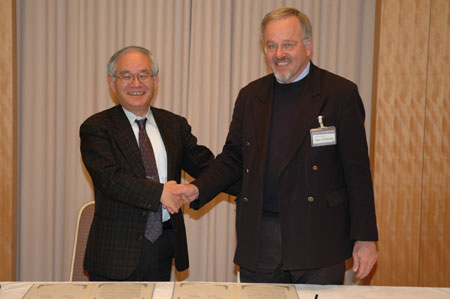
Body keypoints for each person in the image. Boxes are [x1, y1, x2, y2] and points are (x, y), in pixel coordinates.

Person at [175, 7, 378, 284]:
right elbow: (234, 158)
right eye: (271, 45)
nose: (279, 54)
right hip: (261, 236)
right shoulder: (250, 96)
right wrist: (198, 188)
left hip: (318, 235)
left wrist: (365, 237)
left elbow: (358, 173)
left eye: (287, 45)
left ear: (308, 45)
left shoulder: (339, 94)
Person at [79, 46, 214, 281]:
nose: (136, 83)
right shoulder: (97, 127)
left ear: (155, 80)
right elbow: (111, 180)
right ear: (112, 83)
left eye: (143, 75)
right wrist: (161, 192)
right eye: (126, 76)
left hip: (163, 246)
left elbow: (208, 167)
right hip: (114, 253)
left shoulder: (174, 125)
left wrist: (253, 175)